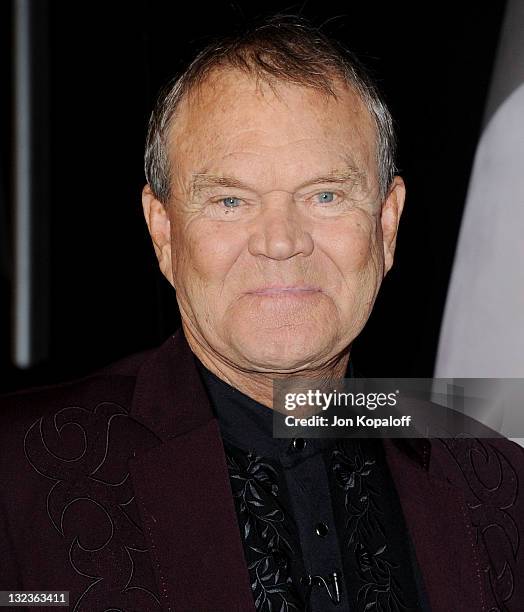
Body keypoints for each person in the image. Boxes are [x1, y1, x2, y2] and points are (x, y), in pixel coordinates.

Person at [1, 14, 523, 612]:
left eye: (324, 195)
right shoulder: (18, 477)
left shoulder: (498, 483)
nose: (280, 241)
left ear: (387, 222)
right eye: (230, 201)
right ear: (163, 231)